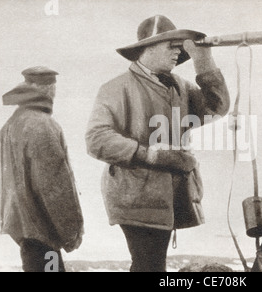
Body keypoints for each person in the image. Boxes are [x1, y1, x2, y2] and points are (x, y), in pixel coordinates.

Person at [85, 15, 230, 272]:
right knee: (149, 263)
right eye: (171, 46)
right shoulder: (116, 88)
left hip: (166, 198)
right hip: (136, 196)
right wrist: (152, 156)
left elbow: (216, 107)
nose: (178, 52)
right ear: (148, 47)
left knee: (150, 264)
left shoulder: (180, 87)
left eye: (180, 47)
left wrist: (203, 60)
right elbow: (97, 139)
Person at [0, 66, 84, 272]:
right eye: (53, 85)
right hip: (44, 233)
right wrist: (72, 233)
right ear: (49, 88)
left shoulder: (11, 124)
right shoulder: (42, 125)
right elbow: (54, 186)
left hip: (24, 230)